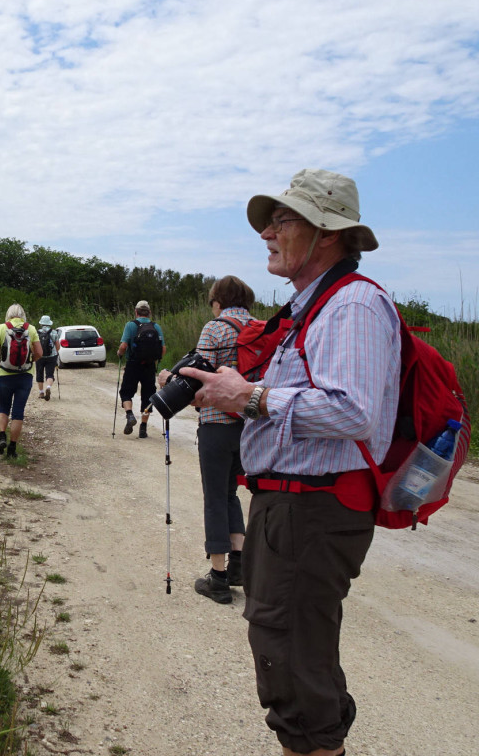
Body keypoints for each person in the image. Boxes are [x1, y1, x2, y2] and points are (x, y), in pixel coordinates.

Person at [180, 169, 400, 756]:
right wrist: (237, 392)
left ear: (327, 233)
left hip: (313, 509)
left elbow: (354, 412)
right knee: (298, 658)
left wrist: (248, 397)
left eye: (282, 221)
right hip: (294, 507)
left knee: (295, 670)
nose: (267, 235)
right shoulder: (313, 307)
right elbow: (305, 403)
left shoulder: (352, 304)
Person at [160, 276, 255, 604]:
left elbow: (196, 388)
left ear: (218, 301)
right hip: (251, 426)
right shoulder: (261, 328)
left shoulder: (215, 328)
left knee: (215, 497)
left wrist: (168, 381)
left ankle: (217, 579)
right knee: (231, 493)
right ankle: (239, 564)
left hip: (216, 425)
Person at [0, 304, 43, 458]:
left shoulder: (2, 327)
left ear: (9, 314)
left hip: (5, 374)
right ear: (23, 315)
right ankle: (12, 448)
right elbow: (39, 352)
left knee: (3, 407)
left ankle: (1, 437)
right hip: (25, 376)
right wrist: (30, 361)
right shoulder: (30, 329)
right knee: (18, 411)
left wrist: (3, 360)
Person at [117, 300, 165, 438]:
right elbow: (163, 348)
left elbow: (123, 346)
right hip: (149, 366)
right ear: (149, 313)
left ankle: (129, 414)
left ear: (136, 312)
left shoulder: (130, 325)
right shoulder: (156, 326)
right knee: (148, 396)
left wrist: (119, 354)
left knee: (126, 392)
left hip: (132, 364)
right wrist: (154, 359)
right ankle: (143, 428)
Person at [34, 315, 60, 401]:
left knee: (39, 373)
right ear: (49, 323)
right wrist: (55, 353)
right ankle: (48, 387)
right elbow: (57, 346)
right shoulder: (54, 332)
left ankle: (41, 392)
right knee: (49, 374)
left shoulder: (37, 332)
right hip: (51, 357)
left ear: (41, 323)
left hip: (39, 356)